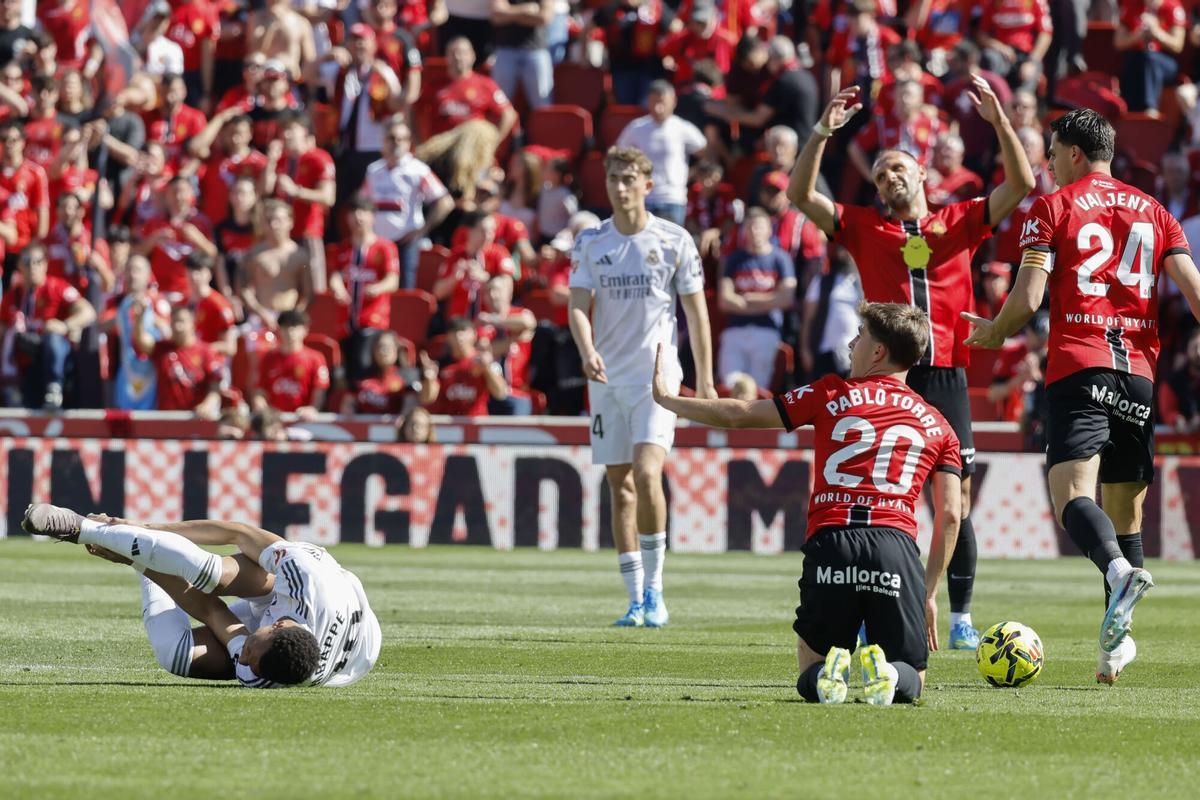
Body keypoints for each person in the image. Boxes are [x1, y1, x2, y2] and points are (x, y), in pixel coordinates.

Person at [788, 76, 1035, 650]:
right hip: (886, 376)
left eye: (897, 168)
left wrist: (1000, 123)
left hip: (945, 372)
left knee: (955, 501)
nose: (887, 178)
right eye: (878, 174)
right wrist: (822, 132)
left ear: (923, 174)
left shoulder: (960, 221)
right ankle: (869, 605)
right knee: (877, 500)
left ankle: (960, 615)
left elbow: (1021, 183)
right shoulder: (863, 226)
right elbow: (801, 196)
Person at [961, 107, 1200, 684]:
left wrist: (994, 331)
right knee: (1126, 513)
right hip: (1138, 373)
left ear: (1072, 152)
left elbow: (1030, 297)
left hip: (1080, 365)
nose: (1046, 161)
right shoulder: (1158, 212)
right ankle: (1115, 646)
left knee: (1071, 497)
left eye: (1050, 150)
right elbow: (1194, 291)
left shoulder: (1051, 208)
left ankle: (1118, 573)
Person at [651, 302, 962, 705]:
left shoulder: (830, 392)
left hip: (832, 541)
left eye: (860, 337)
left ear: (878, 352)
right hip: (894, 546)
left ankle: (829, 674)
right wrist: (931, 591)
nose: (851, 345)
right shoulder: (939, 424)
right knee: (913, 677)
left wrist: (669, 399)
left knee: (811, 664)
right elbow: (952, 515)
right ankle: (885, 673)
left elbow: (741, 415)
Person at [568, 145, 715, 628]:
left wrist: (706, 379)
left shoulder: (674, 240)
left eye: (630, 178)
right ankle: (634, 599)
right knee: (620, 485)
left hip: (657, 376)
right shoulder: (591, 242)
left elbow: (696, 313)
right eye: (614, 178)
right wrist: (587, 349)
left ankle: (655, 590)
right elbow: (576, 305)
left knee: (649, 472)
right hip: (608, 378)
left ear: (648, 186)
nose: (621, 186)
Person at [21, 504, 380, 689]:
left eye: (248, 658)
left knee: (176, 656)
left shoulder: (267, 672)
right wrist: (144, 529)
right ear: (279, 625)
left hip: (346, 659)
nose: (244, 658)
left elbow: (211, 613)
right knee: (210, 573)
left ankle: (121, 543)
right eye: (251, 649)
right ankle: (80, 527)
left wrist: (138, 561)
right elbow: (237, 533)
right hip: (326, 595)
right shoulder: (306, 576)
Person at [0, 244, 96, 410]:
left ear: (45, 264)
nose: (32, 267)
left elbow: (88, 312)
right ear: (19, 266)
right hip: (26, 364)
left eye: (38, 262)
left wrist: (64, 326)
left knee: (53, 337)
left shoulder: (56, 287)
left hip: (55, 361)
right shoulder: (13, 294)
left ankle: (54, 389)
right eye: (27, 262)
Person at [360, 118, 453, 289]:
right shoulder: (374, 170)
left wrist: (423, 230)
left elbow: (445, 201)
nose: (396, 143)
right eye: (392, 138)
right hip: (378, 242)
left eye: (401, 139)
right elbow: (363, 203)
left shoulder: (417, 170)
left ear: (409, 142)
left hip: (406, 242)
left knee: (404, 291)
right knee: (375, 288)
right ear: (383, 141)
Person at [717, 208, 796, 389]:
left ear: (769, 230)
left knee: (758, 388)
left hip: (766, 331)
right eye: (750, 227)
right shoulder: (735, 259)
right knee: (730, 386)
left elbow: (786, 299)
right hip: (735, 330)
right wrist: (768, 301)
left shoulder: (780, 258)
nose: (754, 232)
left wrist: (748, 299)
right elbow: (724, 300)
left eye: (759, 227)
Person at [328, 196, 401, 384]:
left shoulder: (385, 247)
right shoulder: (342, 249)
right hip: (345, 321)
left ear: (373, 217)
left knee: (363, 368)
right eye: (354, 213)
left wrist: (377, 288)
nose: (358, 217)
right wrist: (336, 287)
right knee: (348, 371)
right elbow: (335, 274)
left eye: (363, 212)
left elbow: (393, 280)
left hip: (372, 320)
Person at [615, 81, 707, 226]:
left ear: (673, 101)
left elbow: (705, 153)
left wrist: (690, 175)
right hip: (643, 199)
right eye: (653, 102)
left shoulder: (682, 128)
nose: (658, 108)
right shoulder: (637, 128)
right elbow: (618, 156)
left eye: (662, 102)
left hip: (673, 199)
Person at [253, 309, 330, 419]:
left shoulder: (315, 358)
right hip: (274, 420)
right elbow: (259, 390)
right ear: (279, 330)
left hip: (303, 419)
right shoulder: (268, 358)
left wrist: (313, 408)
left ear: (305, 330)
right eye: (285, 327)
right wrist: (262, 408)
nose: (290, 332)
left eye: (295, 327)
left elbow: (320, 390)